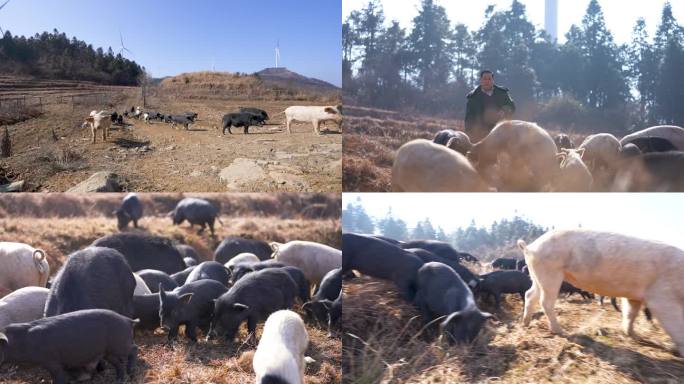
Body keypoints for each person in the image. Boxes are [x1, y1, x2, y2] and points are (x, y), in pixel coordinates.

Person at [464, 70, 515, 142]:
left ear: (493, 80)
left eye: (489, 79)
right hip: (481, 134)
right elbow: (469, 120)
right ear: (481, 80)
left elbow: (512, 107)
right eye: (484, 79)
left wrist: (504, 111)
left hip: (500, 132)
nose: (487, 81)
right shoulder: (473, 97)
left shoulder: (502, 93)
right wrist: (471, 136)